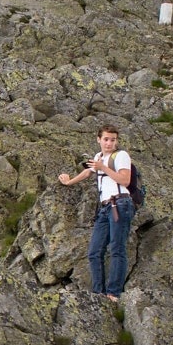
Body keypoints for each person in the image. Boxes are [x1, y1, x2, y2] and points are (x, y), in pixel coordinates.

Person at [58, 126, 136, 301]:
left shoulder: (121, 156)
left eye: (113, 140)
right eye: (106, 139)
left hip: (120, 203)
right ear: (98, 139)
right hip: (105, 206)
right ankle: (98, 292)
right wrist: (70, 182)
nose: (109, 143)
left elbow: (125, 179)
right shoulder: (98, 157)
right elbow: (88, 172)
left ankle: (113, 293)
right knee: (94, 251)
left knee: (117, 248)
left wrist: (103, 167)